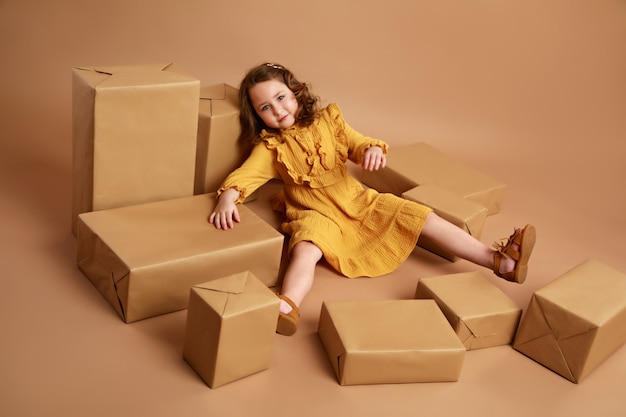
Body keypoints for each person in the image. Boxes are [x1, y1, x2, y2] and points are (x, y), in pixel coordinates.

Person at [209, 62, 536, 336]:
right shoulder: (271, 148)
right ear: (257, 114)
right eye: (265, 107)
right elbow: (245, 176)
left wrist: (372, 150)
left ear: (295, 93)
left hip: (357, 199)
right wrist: (228, 199)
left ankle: (499, 261)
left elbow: (358, 142)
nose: (278, 110)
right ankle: (288, 304)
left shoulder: (329, 121)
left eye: (281, 98)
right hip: (314, 211)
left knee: (421, 216)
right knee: (306, 249)